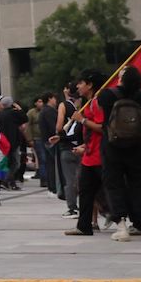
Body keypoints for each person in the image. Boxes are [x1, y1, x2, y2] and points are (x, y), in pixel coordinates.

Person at [87, 65, 141, 241]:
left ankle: (121, 226)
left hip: (112, 145)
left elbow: (100, 104)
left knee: (114, 185)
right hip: (136, 145)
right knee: (140, 185)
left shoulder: (107, 95)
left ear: (121, 79)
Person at [66, 69, 108, 236]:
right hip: (90, 155)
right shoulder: (90, 102)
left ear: (90, 85)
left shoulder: (97, 103)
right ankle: (84, 226)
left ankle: (130, 220)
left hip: (99, 156)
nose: (78, 86)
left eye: (81, 83)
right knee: (85, 191)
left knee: (109, 190)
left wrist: (82, 120)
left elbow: (102, 127)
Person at [51, 84, 84, 219]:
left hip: (67, 147)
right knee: (83, 179)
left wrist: (60, 134)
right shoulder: (85, 105)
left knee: (70, 180)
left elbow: (59, 126)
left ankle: (72, 208)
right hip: (83, 146)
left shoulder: (63, 105)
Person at [0, 96, 28, 190]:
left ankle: (9, 182)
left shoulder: (1, 115)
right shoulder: (14, 113)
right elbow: (25, 118)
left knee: (8, 162)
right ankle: (7, 180)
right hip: (13, 141)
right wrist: (19, 109)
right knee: (15, 163)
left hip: (3, 141)